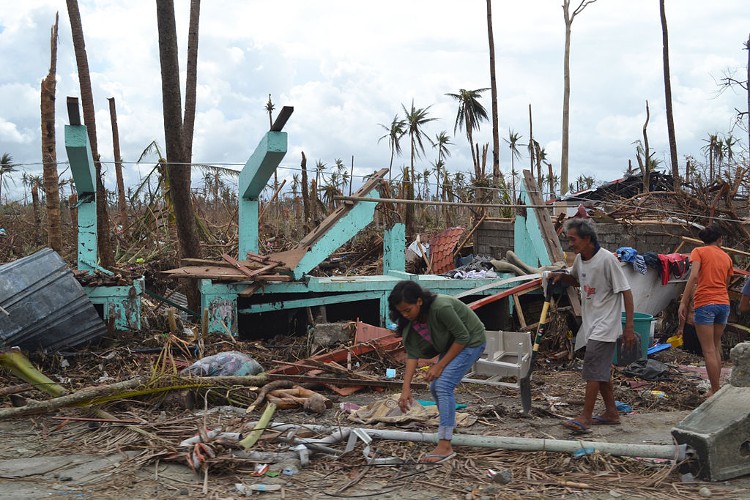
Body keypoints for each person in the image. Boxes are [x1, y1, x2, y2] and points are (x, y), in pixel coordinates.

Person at [388, 280, 486, 464]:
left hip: (472, 341)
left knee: (443, 385)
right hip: (453, 344)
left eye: (407, 310)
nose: (404, 315)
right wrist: (405, 389)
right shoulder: (412, 320)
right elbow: (412, 355)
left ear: (419, 301)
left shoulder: (441, 307)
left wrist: (439, 366)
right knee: (434, 387)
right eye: (400, 311)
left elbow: (463, 337)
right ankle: (448, 430)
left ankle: (445, 445)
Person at [551, 218, 635, 433]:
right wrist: (561, 277)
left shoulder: (607, 260)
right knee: (600, 371)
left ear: (587, 238)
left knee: (592, 369)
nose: (570, 244)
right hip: (592, 323)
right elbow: (576, 280)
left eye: (573, 239)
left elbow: (626, 291)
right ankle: (611, 412)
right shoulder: (581, 259)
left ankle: (585, 417)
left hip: (605, 325)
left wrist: (628, 328)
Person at [679, 224, 733, 396]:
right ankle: (715, 388)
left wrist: (684, 301)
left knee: (708, 350)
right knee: (715, 347)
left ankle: (715, 389)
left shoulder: (699, 252)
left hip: (706, 303)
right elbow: (726, 284)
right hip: (723, 304)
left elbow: (694, 276)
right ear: (719, 239)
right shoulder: (727, 257)